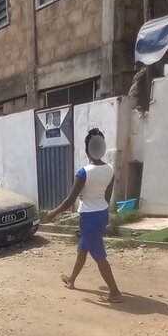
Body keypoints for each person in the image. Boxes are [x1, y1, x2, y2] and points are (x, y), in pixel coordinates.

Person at [46, 128, 122, 303]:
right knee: (83, 248)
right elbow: (107, 196)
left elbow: (70, 199)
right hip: (102, 214)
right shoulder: (109, 169)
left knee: (99, 256)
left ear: (87, 150)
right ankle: (72, 279)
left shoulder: (83, 172)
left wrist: (54, 212)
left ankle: (115, 292)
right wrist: (99, 206)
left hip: (89, 218)